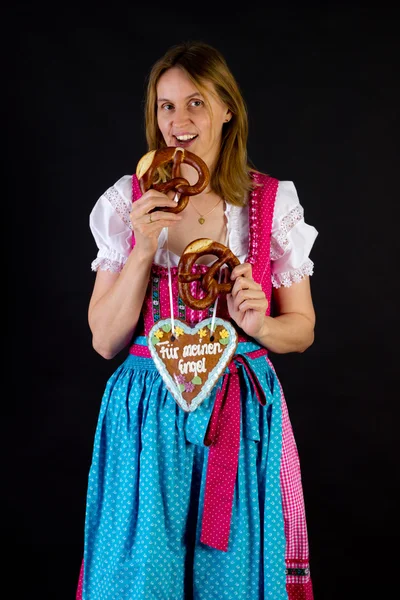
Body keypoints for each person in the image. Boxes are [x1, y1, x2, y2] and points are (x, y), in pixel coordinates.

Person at [76, 40, 318, 600]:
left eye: (196, 103)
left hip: (237, 416)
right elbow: (105, 340)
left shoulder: (269, 202)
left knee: (231, 581)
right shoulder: (126, 201)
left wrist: (258, 325)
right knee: (141, 583)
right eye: (166, 106)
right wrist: (142, 247)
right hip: (145, 417)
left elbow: (302, 328)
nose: (179, 122)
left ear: (227, 108)